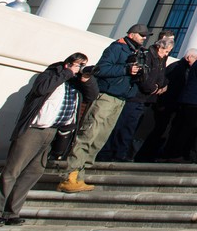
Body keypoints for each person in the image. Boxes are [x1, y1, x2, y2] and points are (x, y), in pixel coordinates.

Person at [0, 52, 93, 227]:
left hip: (54, 133)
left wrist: (86, 79)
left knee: (33, 173)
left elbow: (92, 96)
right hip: (33, 130)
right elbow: (42, 89)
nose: (80, 68)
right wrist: (67, 73)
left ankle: (11, 212)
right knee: (12, 171)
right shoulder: (50, 75)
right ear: (68, 64)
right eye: (79, 65)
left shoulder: (74, 84)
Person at [59, 24, 148, 193]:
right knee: (90, 133)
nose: (144, 37)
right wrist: (126, 69)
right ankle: (69, 175)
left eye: (145, 35)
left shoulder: (136, 52)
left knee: (100, 137)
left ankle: (80, 174)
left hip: (121, 98)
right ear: (131, 34)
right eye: (141, 34)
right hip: (107, 96)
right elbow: (101, 69)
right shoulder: (117, 48)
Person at [99, 34, 170, 162]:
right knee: (122, 126)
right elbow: (143, 76)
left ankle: (120, 153)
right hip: (135, 96)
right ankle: (111, 153)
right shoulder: (147, 55)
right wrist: (153, 88)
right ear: (159, 47)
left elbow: (161, 77)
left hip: (144, 99)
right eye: (166, 51)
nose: (166, 54)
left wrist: (160, 85)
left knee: (129, 127)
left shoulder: (161, 60)